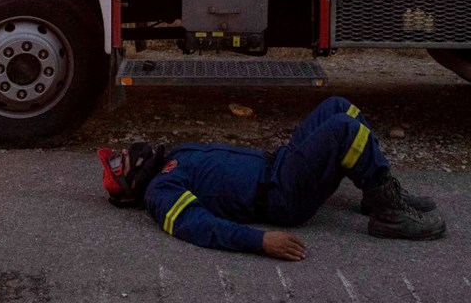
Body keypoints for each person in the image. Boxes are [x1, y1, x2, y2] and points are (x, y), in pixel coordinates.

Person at [96, 96, 445, 261]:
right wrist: (261, 242)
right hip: (283, 194)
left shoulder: (171, 158)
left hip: (279, 164)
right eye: (117, 162)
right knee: (345, 130)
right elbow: (199, 225)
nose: (121, 153)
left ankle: (376, 192)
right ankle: (388, 216)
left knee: (339, 107)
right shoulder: (160, 191)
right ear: (129, 187)